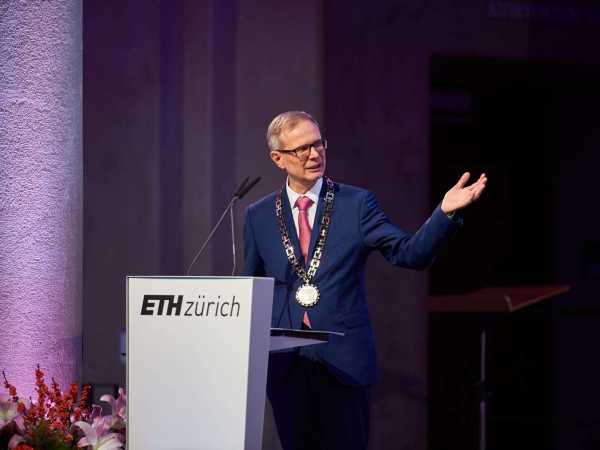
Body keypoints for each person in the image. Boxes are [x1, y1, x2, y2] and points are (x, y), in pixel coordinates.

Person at [243, 111, 487, 450]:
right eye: (302, 149)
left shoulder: (355, 204)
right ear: (278, 158)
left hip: (343, 359)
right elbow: (250, 288)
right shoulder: (257, 215)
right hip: (287, 366)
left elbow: (409, 253)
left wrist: (444, 213)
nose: (314, 155)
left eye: (318, 144)